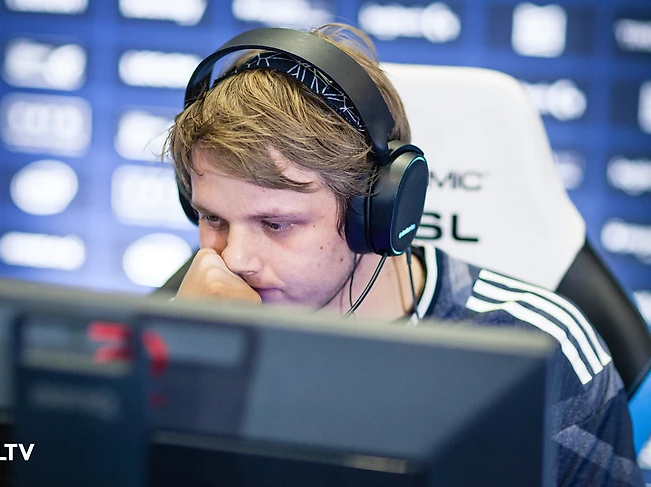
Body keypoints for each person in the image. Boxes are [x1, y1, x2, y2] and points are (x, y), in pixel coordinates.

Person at [161, 23, 644, 486]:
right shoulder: (176, 329)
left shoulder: (543, 354)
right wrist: (183, 378)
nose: (235, 259)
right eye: (213, 219)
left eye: (276, 224)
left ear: (377, 211)